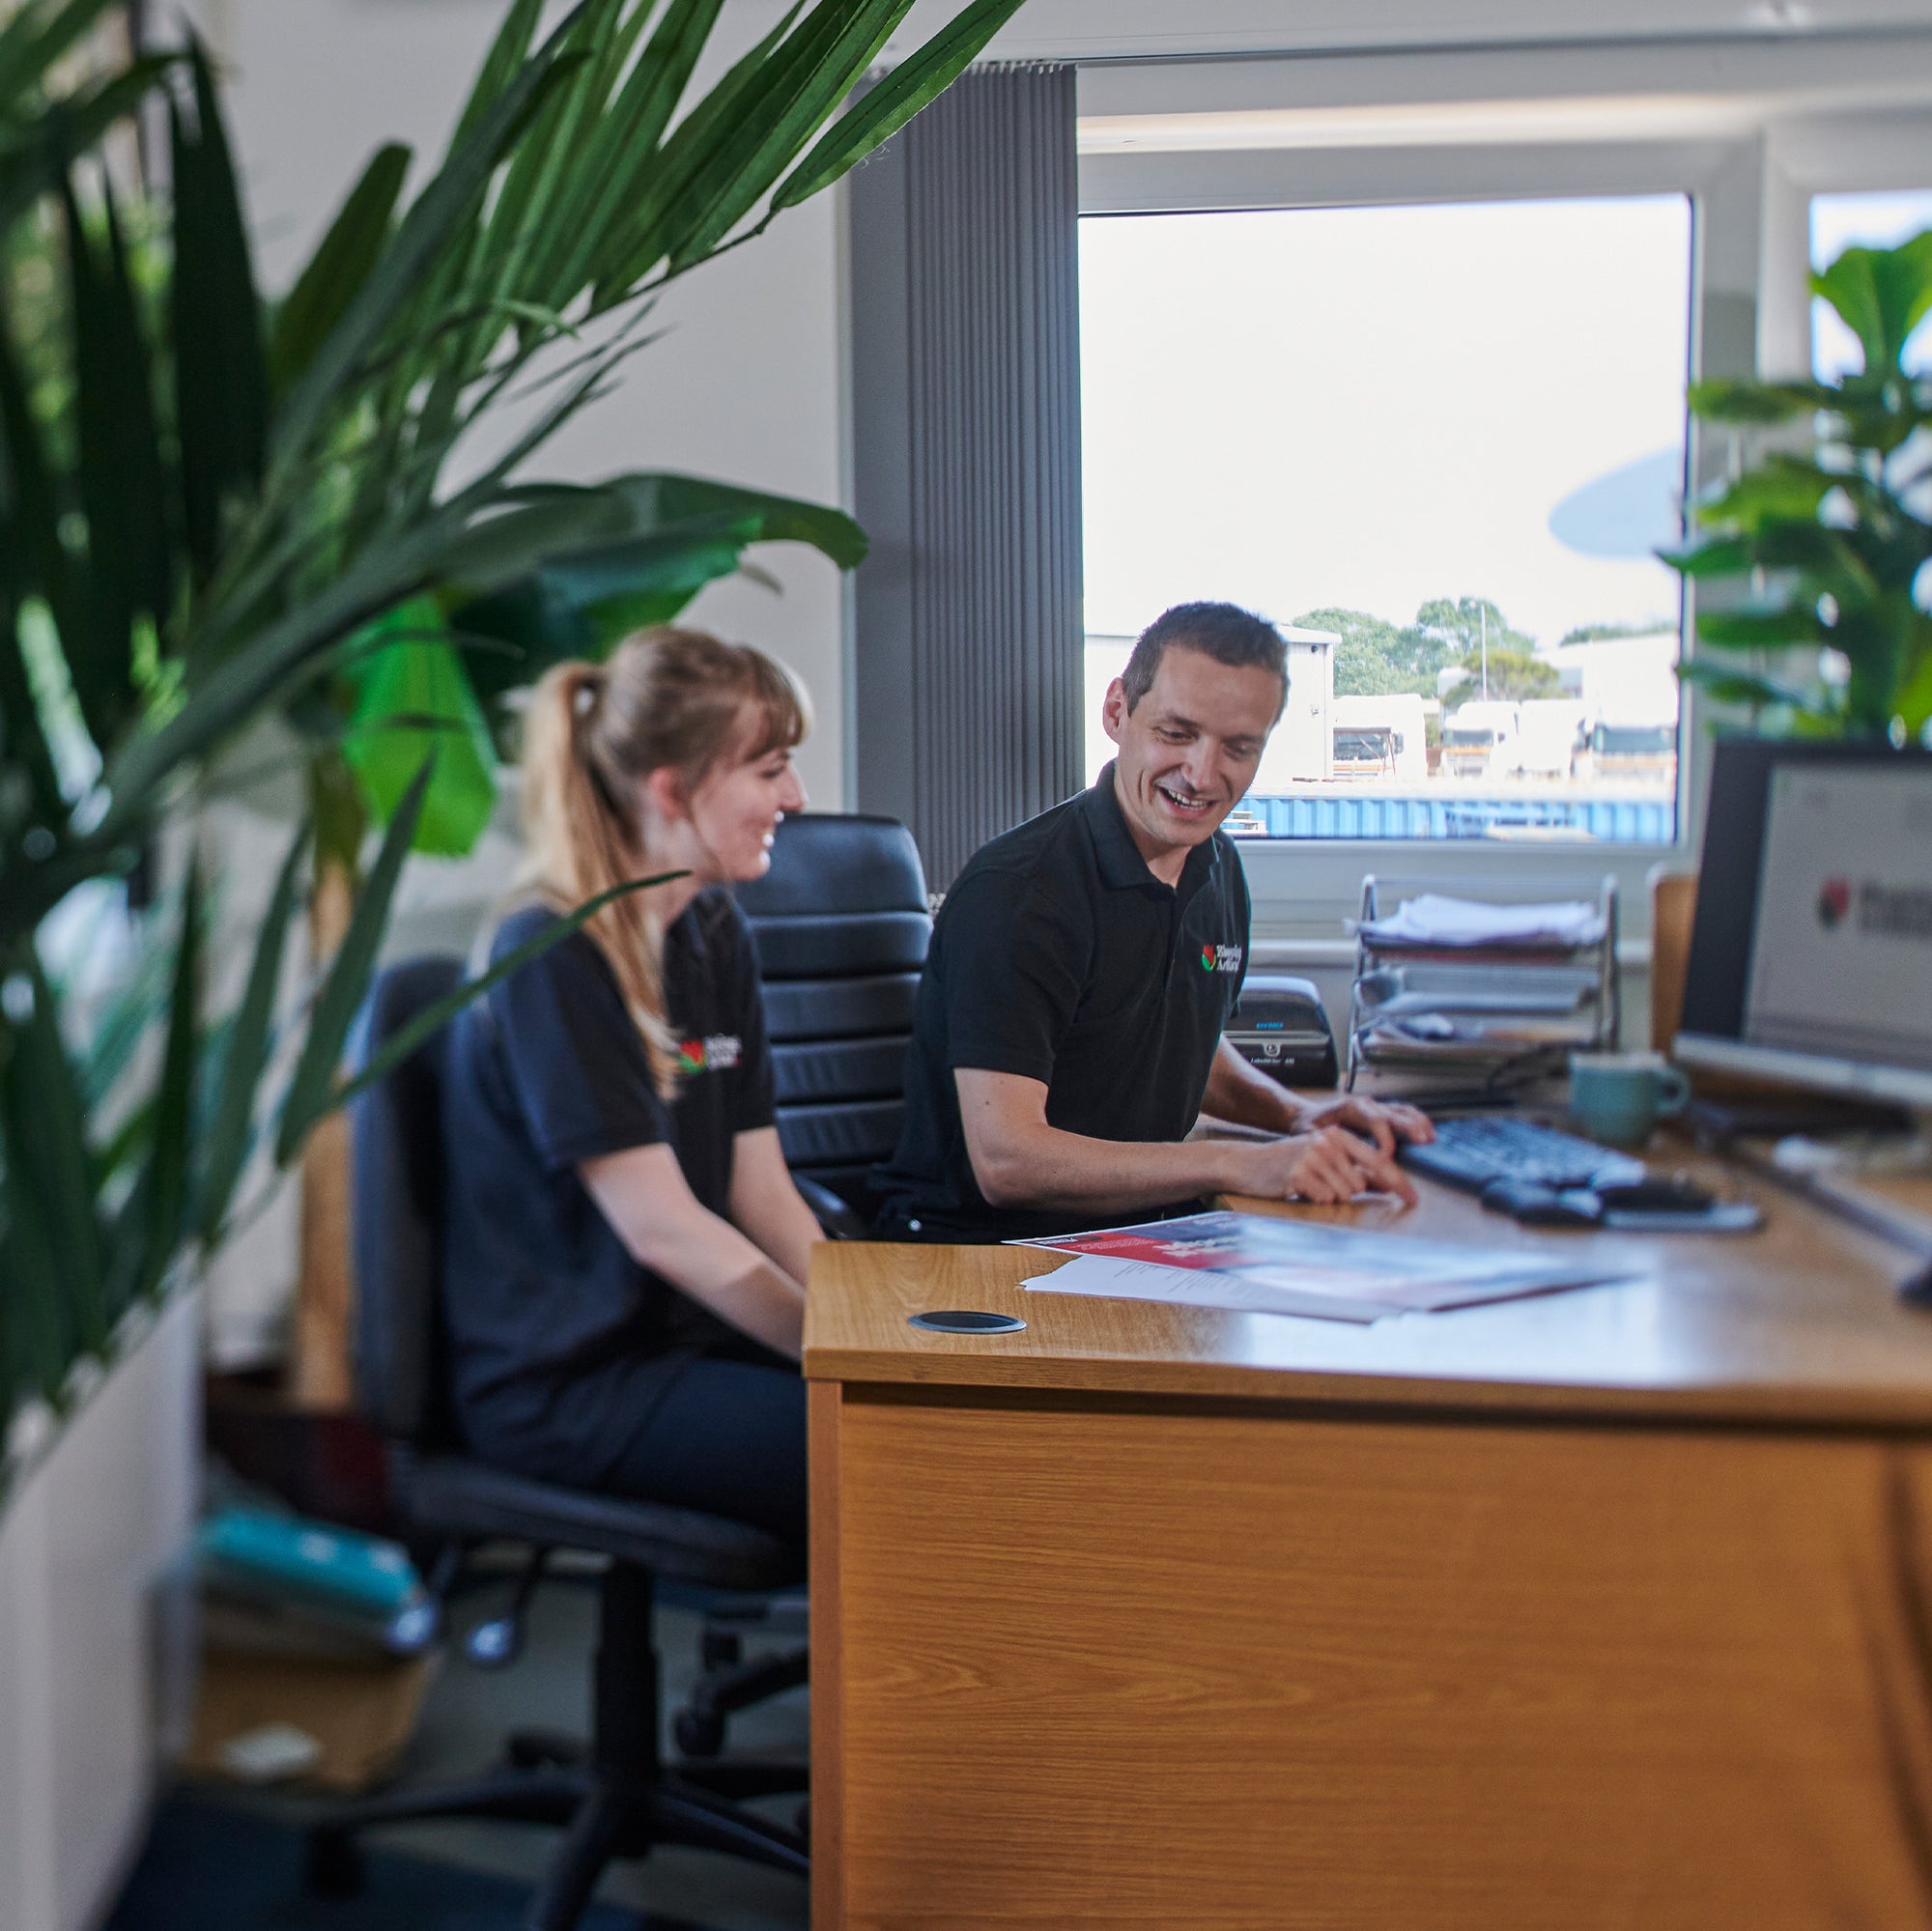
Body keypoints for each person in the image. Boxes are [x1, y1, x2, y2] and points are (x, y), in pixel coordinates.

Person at [875, 601, 1434, 1243]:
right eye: (1177, 732)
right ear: (1118, 712)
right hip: (980, 1250)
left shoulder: (1217, 868)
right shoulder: (1021, 893)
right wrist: (1235, 1160)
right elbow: (1008, 1160)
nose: (1201, 774)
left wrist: (1298, 1117)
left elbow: (1181, 1041)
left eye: (1238, 747)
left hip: (1138, 1232)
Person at [439, 627, 825, 1547]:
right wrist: (836, 1350)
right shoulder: (552, 951)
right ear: (670, 790)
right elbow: (662, 1230)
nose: (797, 798)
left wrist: (875, 1326)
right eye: (770, 769)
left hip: (676, 1339)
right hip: (569, 1382)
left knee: (929, 1420)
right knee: (893, 1451)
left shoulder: (712, 927)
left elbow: (757, 1186)